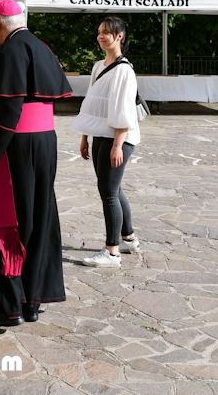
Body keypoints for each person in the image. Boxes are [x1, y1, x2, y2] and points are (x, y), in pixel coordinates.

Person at [0, 0, 72, 331]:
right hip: (45, 143)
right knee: (38, 218)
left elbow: (10, 108)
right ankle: (31, 300)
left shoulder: (10, 50)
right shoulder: (41, 46)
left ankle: (6, 307)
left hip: (16, 146)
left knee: (9, 221)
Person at [71, 17, 141, 268]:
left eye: (106, 32)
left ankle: (112, 252)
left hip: (118, 138)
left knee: (108, 192)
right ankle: (129, 238)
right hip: (100, 134)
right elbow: (90, 103)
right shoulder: (98, 66)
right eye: (99, 32)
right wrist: (84, 137)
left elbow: (124, 110)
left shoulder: (124, 70)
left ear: (119, 36)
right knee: (113, 188)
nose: (101, 36)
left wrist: (117, 145)